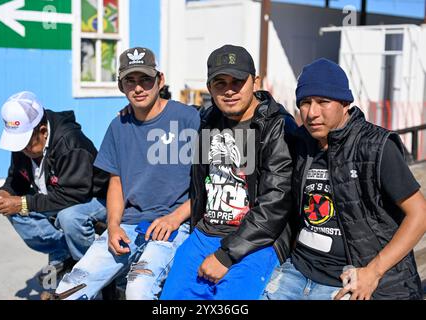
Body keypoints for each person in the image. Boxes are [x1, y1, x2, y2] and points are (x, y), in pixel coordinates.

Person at [262, 58, 426, 300]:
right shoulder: (300, 143)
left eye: (323, 102)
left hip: (347, 279)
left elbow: (420, 214)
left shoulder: (375, 147)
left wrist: (374, 271)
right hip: (296, 271)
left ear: (346, 103)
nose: (312, 113)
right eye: (305, 103)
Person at [54, 47, 200, 300]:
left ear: (160, 80)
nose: (138, 88)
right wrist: (112, 226)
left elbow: (212, 182)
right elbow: (117, 182)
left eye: (145, 79)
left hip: (174, 226)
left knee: (137, 289)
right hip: (130, 225)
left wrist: (176, 218)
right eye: (130, 81)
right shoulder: (118, 126)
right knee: (68, 290)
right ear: (121, 86)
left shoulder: (188, 118)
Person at [160, 44, 297, 300]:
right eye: (220, 83)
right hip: (205, 233)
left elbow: (276, 202)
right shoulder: (208, 119)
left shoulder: (277, 125)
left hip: (257, 240)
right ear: (209, 87)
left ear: (255, 82)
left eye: (238, 81)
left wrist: (226, 255)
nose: (230, 90)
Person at [0, 91, 109, 281]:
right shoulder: (25, 146)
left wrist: (22, 203)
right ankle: (64, 251)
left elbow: (73, 196)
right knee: (11, 208)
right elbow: (17, 179)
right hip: (62, 197)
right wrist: (4, 194)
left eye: (25, 143)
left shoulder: (71, 143)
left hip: (97, 199)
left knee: (69, 217)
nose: (22, 149)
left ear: (43, 131)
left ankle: (93, 272)